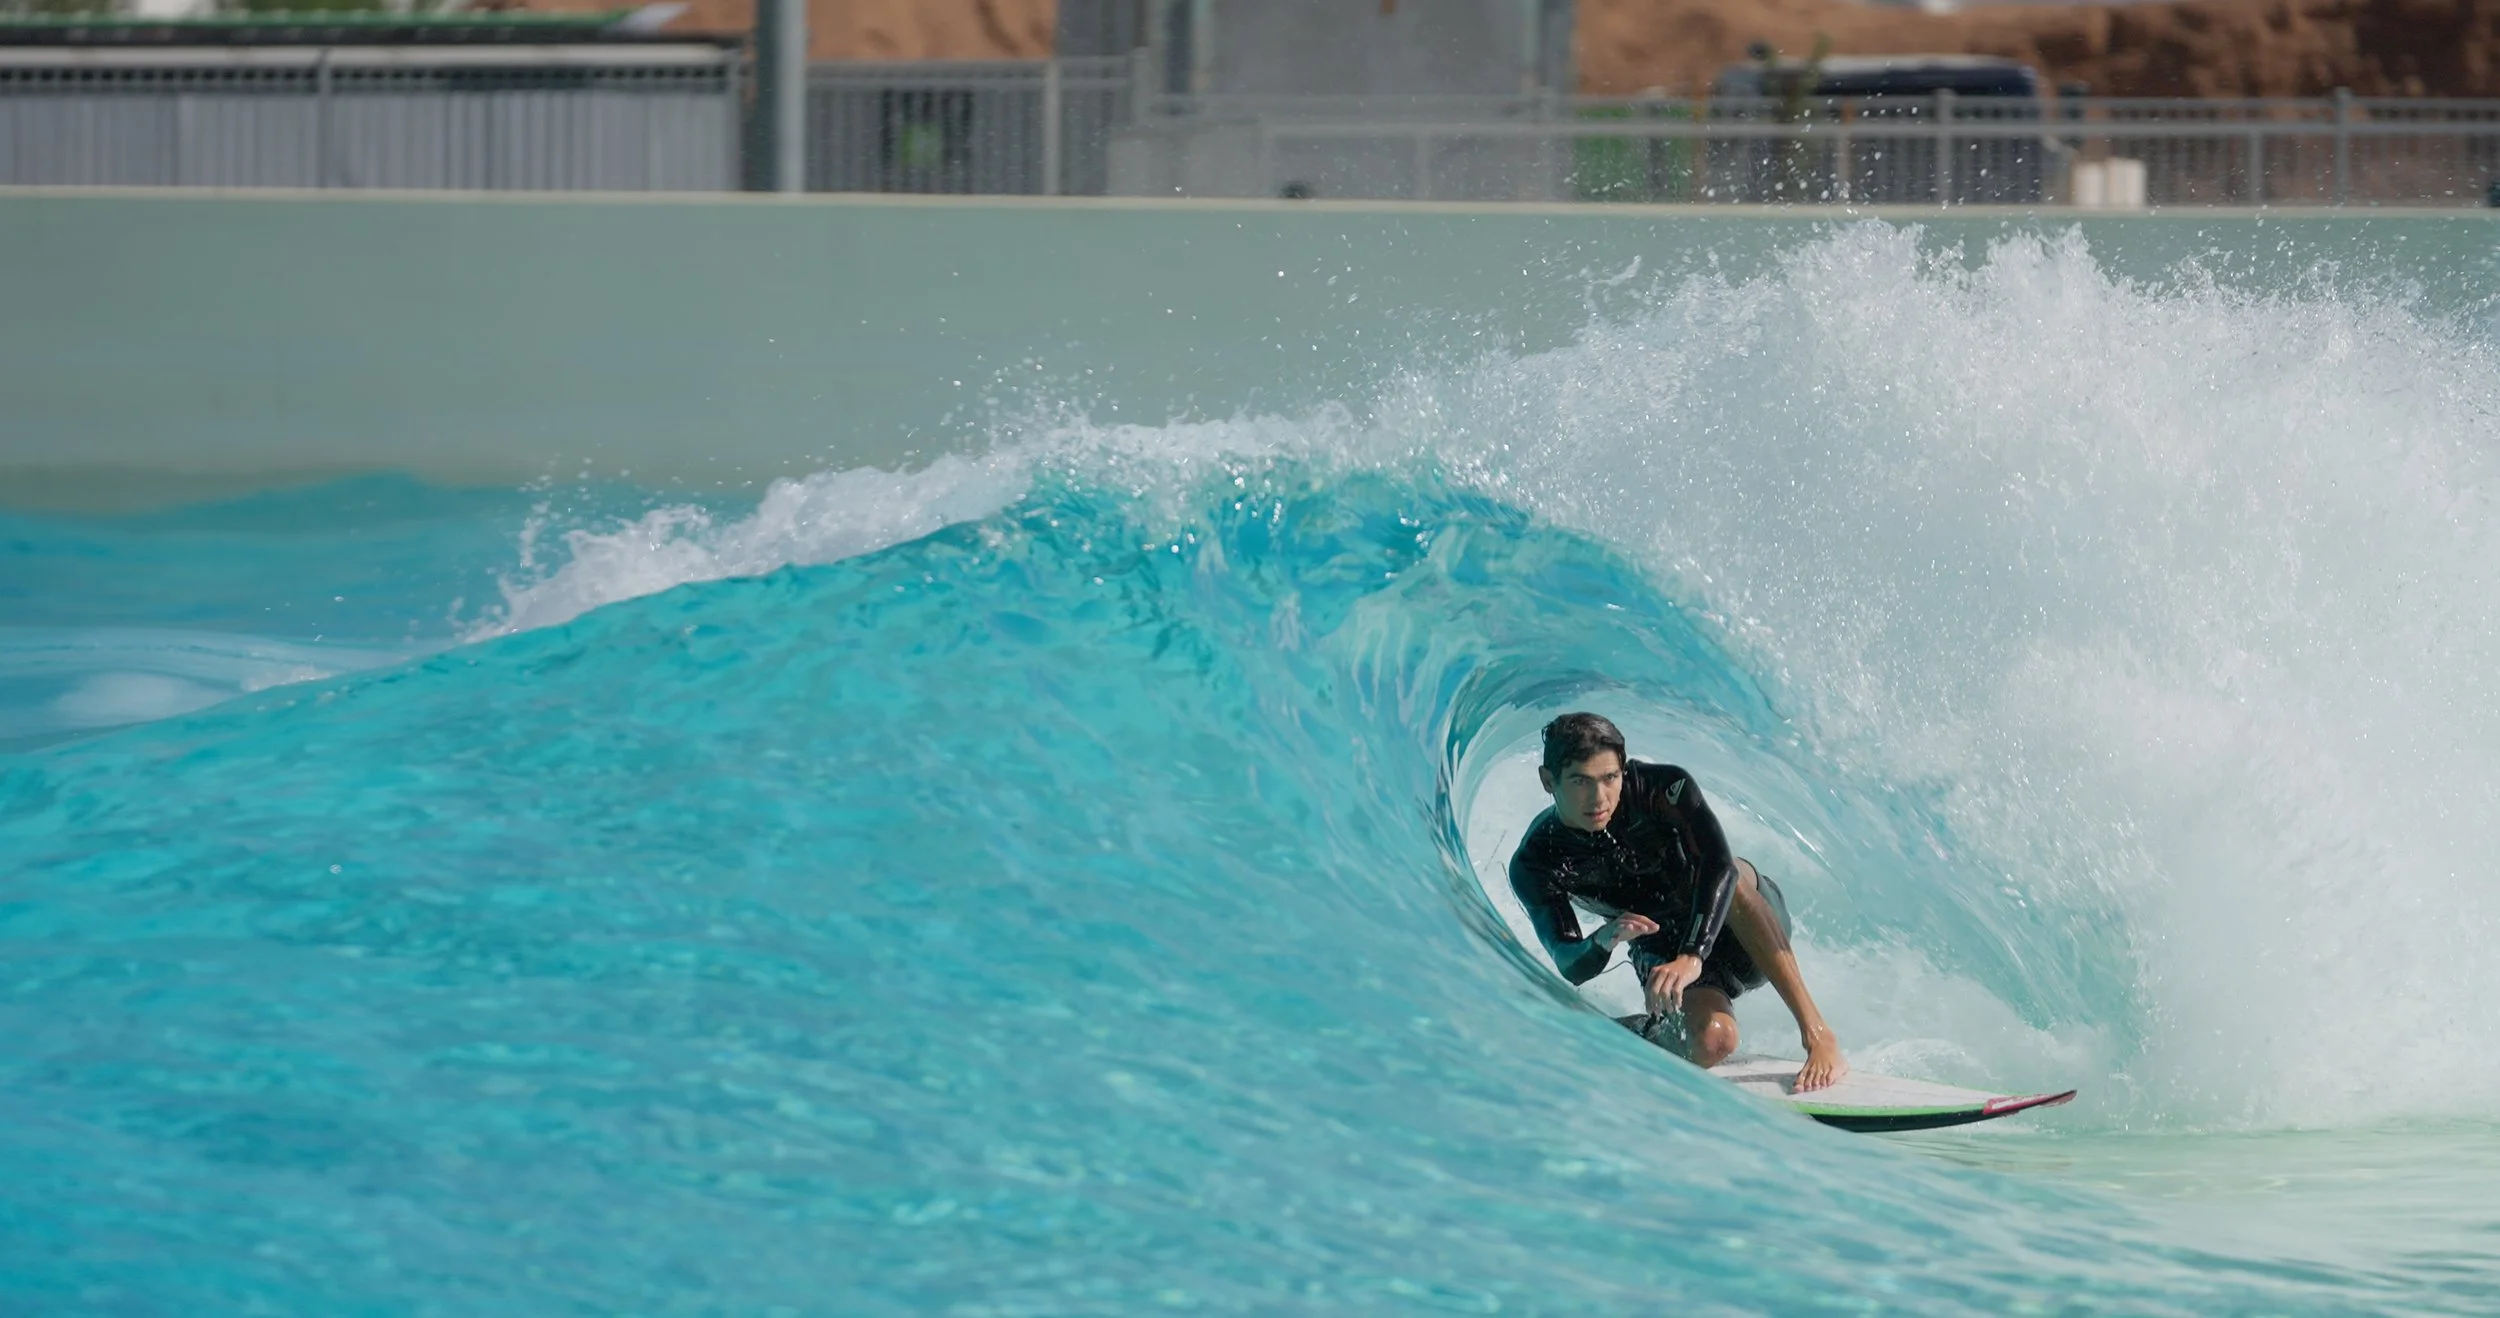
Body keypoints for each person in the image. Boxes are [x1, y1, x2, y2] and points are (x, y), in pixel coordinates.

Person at [1507, 712, 1849, 1091]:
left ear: (1624, 769)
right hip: (1663, 952)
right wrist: (1603, 940)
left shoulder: (1662, 788)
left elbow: (1718, 867)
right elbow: (1570, 963)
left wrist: (1693, 954)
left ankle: (1817, 1034)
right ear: (1547, 780)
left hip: (1739, 927)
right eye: (1580, 782)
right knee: (1712, 1040)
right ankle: (1635, 1032)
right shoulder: (1537, 860)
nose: (1599, 798)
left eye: (1610, 778)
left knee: (1733, 877)